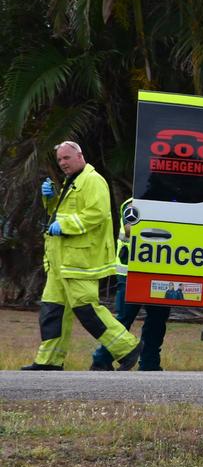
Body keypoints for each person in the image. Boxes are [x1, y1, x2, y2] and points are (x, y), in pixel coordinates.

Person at [22, 141, 141, 371]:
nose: (63, 163)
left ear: (80, 155)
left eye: (66, 158)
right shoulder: (72, 181)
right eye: (59, 160)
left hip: (81, 260)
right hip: (59, 261)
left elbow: (96, 213)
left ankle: (127, 348)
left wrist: (64, 225)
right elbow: (62, 213)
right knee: (52, 310)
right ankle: (49, 361)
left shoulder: (93, 180)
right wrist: (51, 200)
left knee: (86, 308)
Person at [89, 199, 170, 371]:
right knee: (124, 318)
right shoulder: (132, 203)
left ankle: (150, 364)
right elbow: (129, 228)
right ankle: (101, 360)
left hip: (159, 270)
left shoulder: (169, 202)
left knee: (157, 320)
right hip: (130, 273)